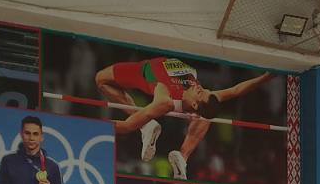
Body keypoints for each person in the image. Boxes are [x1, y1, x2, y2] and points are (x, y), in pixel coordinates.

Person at [95, 55, 272, 171]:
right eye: (203, 89)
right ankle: (181, 156)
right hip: (162, 68)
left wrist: (92, 127)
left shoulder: (164, 99)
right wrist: (266, 77)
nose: (200, 87)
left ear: (195, 103)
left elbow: (127, 126)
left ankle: (152, 129)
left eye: (200, 93)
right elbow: (236, 90)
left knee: (101, 80)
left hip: (145, 71)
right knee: (207, 115)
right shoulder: (205, 98)